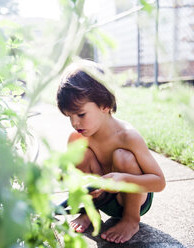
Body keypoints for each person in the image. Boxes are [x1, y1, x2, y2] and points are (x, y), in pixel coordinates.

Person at [56, 60, 166, 244]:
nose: (75, 123)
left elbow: (159, 182)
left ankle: (131, 221)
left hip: (130, 198)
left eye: (81, 115)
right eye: (70, 117)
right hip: (103, 198)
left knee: (123, 157)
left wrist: (121, 180)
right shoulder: (77, 137)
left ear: (105, 105)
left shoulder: (127, 136)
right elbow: (69, 173)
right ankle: (89, 212)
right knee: (80, 150)